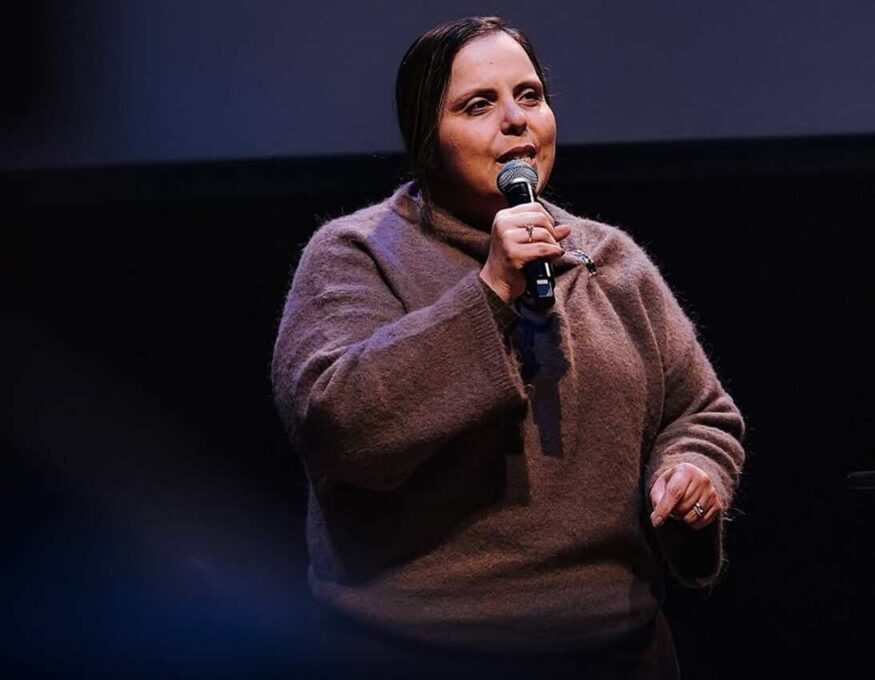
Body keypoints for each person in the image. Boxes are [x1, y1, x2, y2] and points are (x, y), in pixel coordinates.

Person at [271, 16, 744, 680]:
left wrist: (691, 470)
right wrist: (490, 289)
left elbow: (701, 414)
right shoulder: (357, 253)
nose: (517, 121)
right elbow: (337, 426)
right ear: (427, 140)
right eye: (478, 104)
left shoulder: (609, 259)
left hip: (618, 655)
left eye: (529, 96)